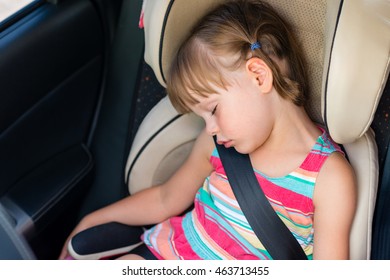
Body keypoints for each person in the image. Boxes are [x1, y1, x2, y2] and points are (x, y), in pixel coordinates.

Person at [59, 0, 356, 260]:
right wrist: (92, 219)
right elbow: (166, 198)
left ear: (258, 76)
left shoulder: (327, 177)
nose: (211, 129)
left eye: (213, 110)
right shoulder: (218, 143)